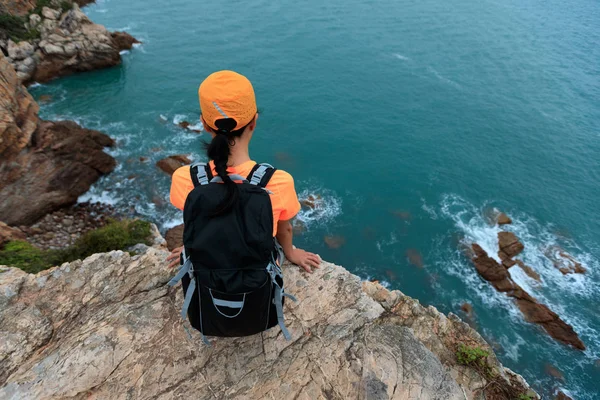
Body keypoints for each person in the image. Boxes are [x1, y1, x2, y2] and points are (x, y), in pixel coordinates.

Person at [166, 70, 320, 273]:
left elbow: (193, 220)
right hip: (254, 278)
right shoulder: (278, 182)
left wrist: (189, 248)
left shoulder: (185, 178)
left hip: (207, 273)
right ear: (254, 122)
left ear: (204, 124)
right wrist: (290, 252)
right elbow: (285, 228)